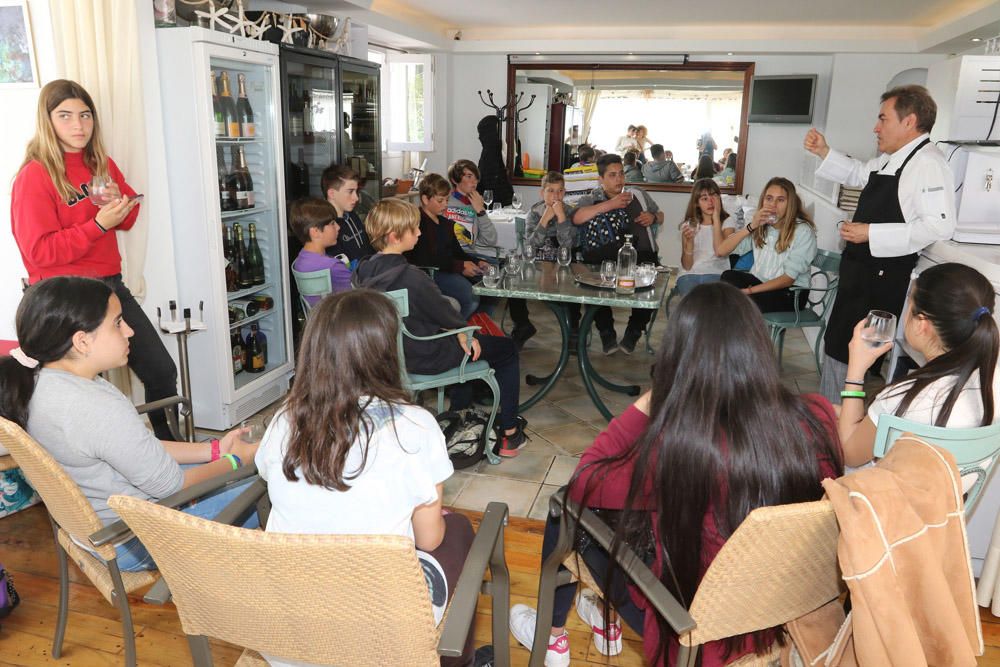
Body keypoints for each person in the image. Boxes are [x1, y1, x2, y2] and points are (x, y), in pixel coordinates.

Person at [507, 282, 842, 667]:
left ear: (679, 357)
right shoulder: (816, 416)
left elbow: (587, 480)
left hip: (692, 633)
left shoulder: (682, 448)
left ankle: (552, 638)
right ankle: (601, 616)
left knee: (563, 507)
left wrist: (655, 397)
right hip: (774, 613)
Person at [255, 289, 477, 667]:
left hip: (288, 639)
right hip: (382, 643)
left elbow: (276, 484)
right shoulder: (415, 428)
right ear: (385, 352)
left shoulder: (283, 421)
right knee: (458, 531)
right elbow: (428, 539)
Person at [0, 277, 259, 571]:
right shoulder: (94, 408)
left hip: (100, 528)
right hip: (135, 539)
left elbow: (137, 448)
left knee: (238, 472)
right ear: (82, 341)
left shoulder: (38, 382)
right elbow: (173, 486)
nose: (130, 331)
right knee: (270, 483)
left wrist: (214, 451)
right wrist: (239, 459)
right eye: (118, 323)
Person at [10, 79, 178, 440]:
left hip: (109, 287)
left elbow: (129, 219)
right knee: (90, 396)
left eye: (85, 115)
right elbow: (38, 253)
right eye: (65, 116)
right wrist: (97, 224)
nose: (78, 126)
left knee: (161, 371)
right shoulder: (35, 175)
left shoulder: (100, 163)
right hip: (63, 300)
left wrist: (120, 204)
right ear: (48, 121)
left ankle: (168, 451)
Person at [804, 85, 956, 403]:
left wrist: (871, 233)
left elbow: (938, 225)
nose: (876, 127)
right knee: (839, 350)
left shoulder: (927, 163)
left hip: (881, 281)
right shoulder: (893, 159)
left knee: (852, 358)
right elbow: (860, 173)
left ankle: (837, 427)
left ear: (909, 121)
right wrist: (824, 152)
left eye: (883, 119)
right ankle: (832, 420)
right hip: (861, 276)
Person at [353, 199, 528, 457]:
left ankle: (460, 412)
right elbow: (446, 314)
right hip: (423, 355)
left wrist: (457, 329)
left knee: (467, 342)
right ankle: (510, 435)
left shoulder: (363, 272)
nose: (420, 232)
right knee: (506, 349)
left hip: (385, 357)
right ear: (394, 236)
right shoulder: (411, 276)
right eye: (414, 229)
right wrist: (462, 331)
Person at [837, 263, 999, 477]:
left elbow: (849, 453)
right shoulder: (990, 382)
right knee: (824, 410)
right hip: (942, 503)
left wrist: (855, 373)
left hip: (881, 502)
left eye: (909, 304)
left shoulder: (905, 397)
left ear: (922, 323)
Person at [573, 154, 663, 355]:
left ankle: (633, 332)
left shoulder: (637, 194)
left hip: (640, 254)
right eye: (612, 175)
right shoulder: (591, 197)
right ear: (601, 179)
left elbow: (660, 215)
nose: (619, 179)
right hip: (603, 257)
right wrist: (609, 205)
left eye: (621, 173)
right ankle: (607, 334)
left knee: (649, 284)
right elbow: (577, 218)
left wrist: (653, 217)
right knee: (593, 282)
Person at [445, 159, 536, 346]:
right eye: (469, 177)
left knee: (511, 270)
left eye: (476, 178)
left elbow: (490, 239)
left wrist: (480, 211)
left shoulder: (475, 203)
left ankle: (513, 324)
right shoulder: (445, 201)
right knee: (492, 281)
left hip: (473, 254)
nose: (474, 182)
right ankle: (469, 331)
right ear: (455, 180)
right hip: (456, 256)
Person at [717, 177, 817, 313]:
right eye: (769, 198)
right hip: (761, 283)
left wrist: (749, 291)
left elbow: (787, 279)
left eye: (780, 200)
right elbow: (722, 251)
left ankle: (735, 331)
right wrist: (751, 226)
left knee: (740, 302)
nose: (773, 205)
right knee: (728, 277)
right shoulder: (761, 225)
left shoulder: (803, 231)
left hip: (790, 293)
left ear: (790, 204)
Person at [406, 173, 490, 320]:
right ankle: (454, 332)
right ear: (425, 199)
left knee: (489, 290)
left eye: (447, 200)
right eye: (440, 200)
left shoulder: (445, 223)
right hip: (427, 274)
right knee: (471, 298)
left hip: (447, 268)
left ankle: (473, 329)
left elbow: (458, 252)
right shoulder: (417, 223)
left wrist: (477, 262)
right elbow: (424, 259)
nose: (445, 204)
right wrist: (460, 266)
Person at [525, 172, 583, 344]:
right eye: (550, 191)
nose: (555, 196)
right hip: (540, 257)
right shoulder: (535, 212)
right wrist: (544, 220)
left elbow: (569, 245)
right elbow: (530, 247)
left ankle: (573, 328)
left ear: (564, 193)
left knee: (572, 281)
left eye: (559, 191)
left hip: (564, 256)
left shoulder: (571, 212)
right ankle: (521, 325)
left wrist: (561, 218)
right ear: (542, 193)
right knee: (516, 280)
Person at [676, 179, 737, 295]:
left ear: (719, 198)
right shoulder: (689, 225)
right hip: (689, 274)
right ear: (697, 203)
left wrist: (716, 218)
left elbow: (720, 251)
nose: (710, 202)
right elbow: (687, 266)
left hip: (717, 273)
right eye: (704, 198)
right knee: (693, 303)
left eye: (713, 197)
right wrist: (689, 243)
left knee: (710, 304)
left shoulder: (728, 222)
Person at [288, 198, 352, 308]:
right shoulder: (333, 266)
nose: (338, 227)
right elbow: (357, 297)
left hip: (318, 320)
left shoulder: (300, 261)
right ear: (315, 232)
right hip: (340, 321)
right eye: (332, 223)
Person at [320, 164, 374, 264]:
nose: (356, 198)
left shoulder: (352, 216)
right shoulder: (326, 226)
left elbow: (369, 250)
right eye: (350, 191)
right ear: (331, 194)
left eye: (356, 191)